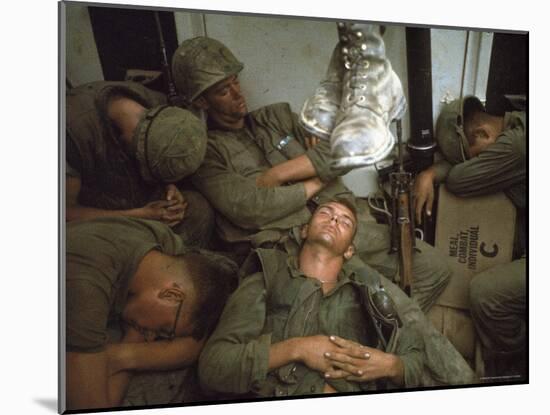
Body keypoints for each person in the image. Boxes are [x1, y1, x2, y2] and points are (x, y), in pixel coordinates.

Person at [171, 36, 450, 312]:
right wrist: (317, 173)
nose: (237, 93)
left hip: (342, 225)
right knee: (357, 303)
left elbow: (346, 149)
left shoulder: (276, 119)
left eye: (235, 82)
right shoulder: (208, 154)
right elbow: (250, 207)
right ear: (203, 102)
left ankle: (389, 341)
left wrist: (280, 174)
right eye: (223, 91)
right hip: (289, 247)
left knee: (434, 269)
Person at [198, 199, 475, 398]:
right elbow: (214, 367)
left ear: (350, 251)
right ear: (304, 231)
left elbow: (415, 356)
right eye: (325, 213)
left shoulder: (367, 294)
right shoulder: (265, 281)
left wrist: (392, 366)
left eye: (345, 221)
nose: (334, 219)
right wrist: (298, 349)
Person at [65, 216, 236, 410]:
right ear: (171, 294)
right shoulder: (85, 286)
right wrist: (131, 346)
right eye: (164, 329)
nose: (152, 336)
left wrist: (122, 354)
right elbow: (92, 406)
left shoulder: (162, 244)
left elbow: (192, 345)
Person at [414, 95, 526, 379]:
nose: (479, 164)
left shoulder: (516, 145)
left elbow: (459, 180)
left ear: (482, 133)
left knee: (487, 293)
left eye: (476, 158)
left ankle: (512, 368)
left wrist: (430, 174)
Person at [66, 80, 214, 248]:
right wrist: (140, 215)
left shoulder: (156, 105)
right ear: (134, 148)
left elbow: (162, 152)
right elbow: (66, 213)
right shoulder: (70, 132)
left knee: (197, 208)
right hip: (99, 213)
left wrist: (170, 188)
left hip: (137, 197)